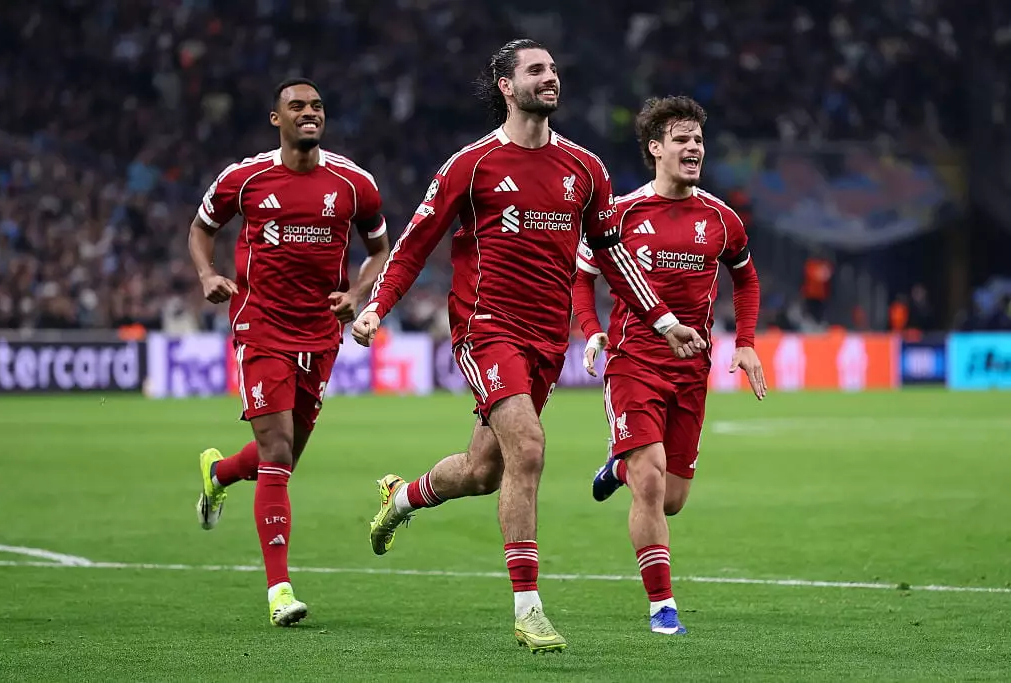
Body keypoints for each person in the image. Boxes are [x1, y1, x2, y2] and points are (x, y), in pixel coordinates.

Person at [349, 40, 705, 653]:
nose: (550, 77)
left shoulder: (585, 169)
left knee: (484, 471)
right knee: (531, 448)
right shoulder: (472, 165)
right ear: (506, 87)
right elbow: (414, 244)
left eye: (554, 68)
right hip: (485, 327)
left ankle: (401, 497)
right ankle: (528, 607)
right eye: (536, 70)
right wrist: (377, 306)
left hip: (546, 341)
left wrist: (664, 320)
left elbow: (613, 255)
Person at [188, 78, 390, 626]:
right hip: (261, 326)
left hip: (320, 334)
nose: (309, 113)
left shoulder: (354, 184)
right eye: (296, 106)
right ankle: (279, 590)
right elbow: (201, 229)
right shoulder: (245, 178)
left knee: (282, 457)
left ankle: (220, 473)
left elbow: (379, 249)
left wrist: (357, 293)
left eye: (317, 106)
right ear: (276, 118)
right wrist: (207, 274)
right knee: (276, 454)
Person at [573, 95, 766, 636]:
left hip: (691, 370)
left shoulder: (721, 218)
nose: (693, 147)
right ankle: (662, 607)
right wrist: (591, 330)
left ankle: (616, 468)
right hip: (633, 363)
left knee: (672, 499)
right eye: (682, 139)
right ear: (656, 148)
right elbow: (583, 276)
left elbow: (746, 278)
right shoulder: (621, 213)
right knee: (651, 480)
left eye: (698, 139)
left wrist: (746, 341)